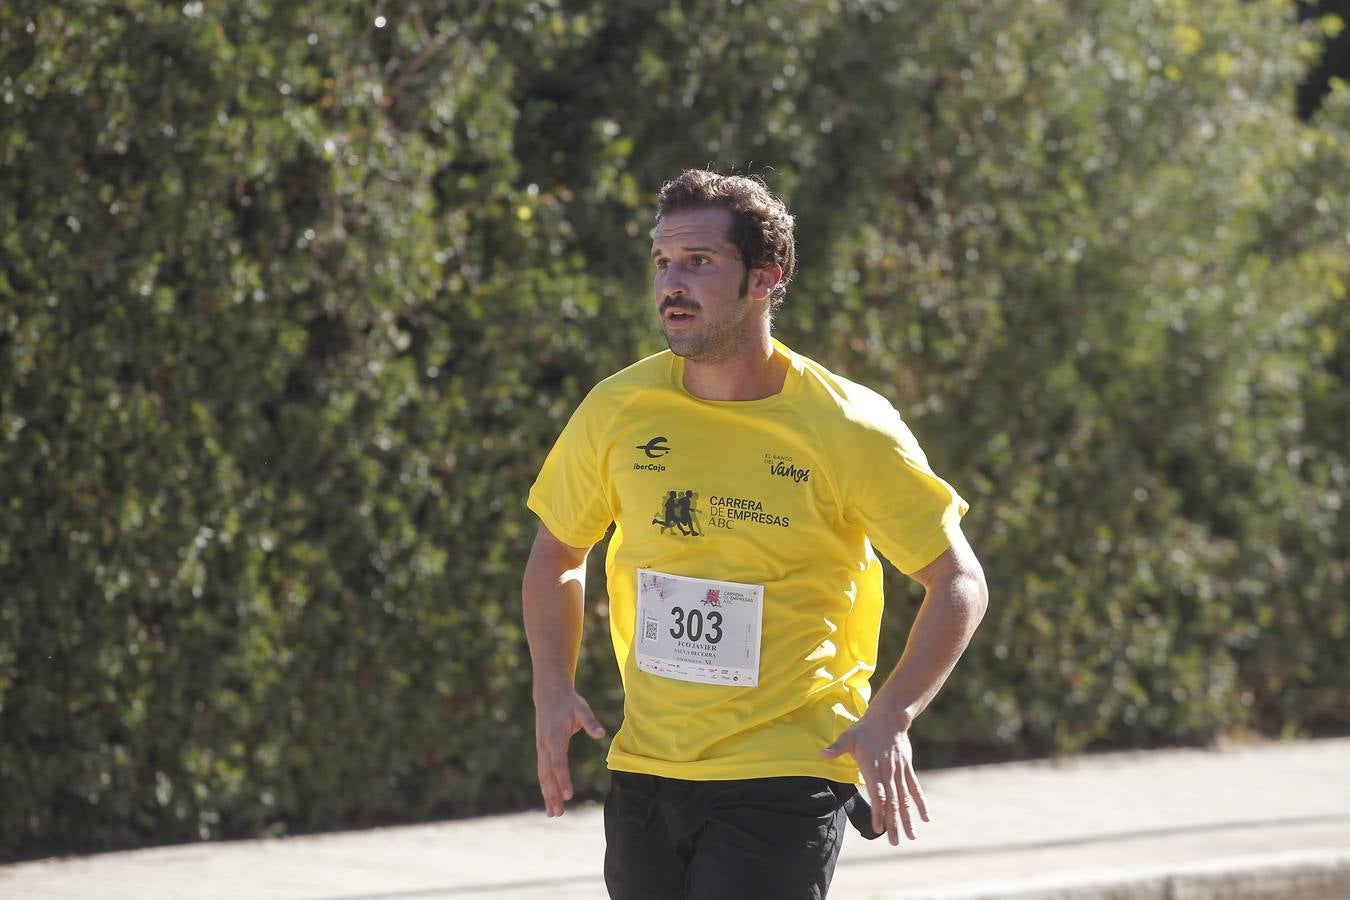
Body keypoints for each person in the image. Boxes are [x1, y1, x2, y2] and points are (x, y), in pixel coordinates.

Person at [522, 169, 989, 900]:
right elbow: (558, 552)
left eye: (699, 262)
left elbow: (957, 580)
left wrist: (891, 714)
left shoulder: (846, 426)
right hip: (647, 769)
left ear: (765, 278)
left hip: (789, 769)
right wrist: (551, 685)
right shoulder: (619, 408)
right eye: (662, 263)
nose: (671, 283)